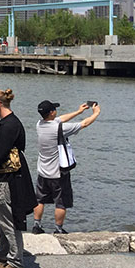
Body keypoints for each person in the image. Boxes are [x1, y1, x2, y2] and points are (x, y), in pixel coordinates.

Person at [0, 89, 36, 268]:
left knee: (8, 219)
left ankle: (15, 261)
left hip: (5, 179)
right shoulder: (12, 123)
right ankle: (2, 253)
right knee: (2, 218)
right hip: (10, 177)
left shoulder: (8, 126)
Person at [33, 100, 101, 234]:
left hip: (42, 171)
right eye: (54, 109)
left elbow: (60, 119)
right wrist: (96, 113)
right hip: (58, 173)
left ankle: (37, 226)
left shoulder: (39, 124)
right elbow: (85, 123)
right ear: (51, 112)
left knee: (40, 199)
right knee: (61, 202)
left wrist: (78, 111)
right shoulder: (60, 129)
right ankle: (58, 230)